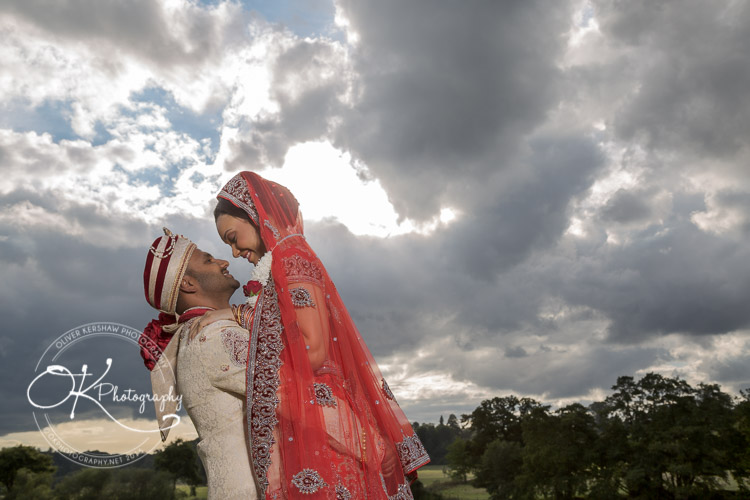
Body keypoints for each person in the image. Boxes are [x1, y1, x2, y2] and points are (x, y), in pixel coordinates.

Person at [197, 172, 429, 498]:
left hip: (328, 426)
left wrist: (242, 349)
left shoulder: (289, 259)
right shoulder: (286, 259)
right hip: (319, 422)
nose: (234, 252)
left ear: (257, 216)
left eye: (234, 237)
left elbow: (313, 349)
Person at [139, 227, 258, 500]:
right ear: (188, 284)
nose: (224, 261)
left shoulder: (202, 333)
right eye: (208, 260)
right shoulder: (213, 335)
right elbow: (294, 387)